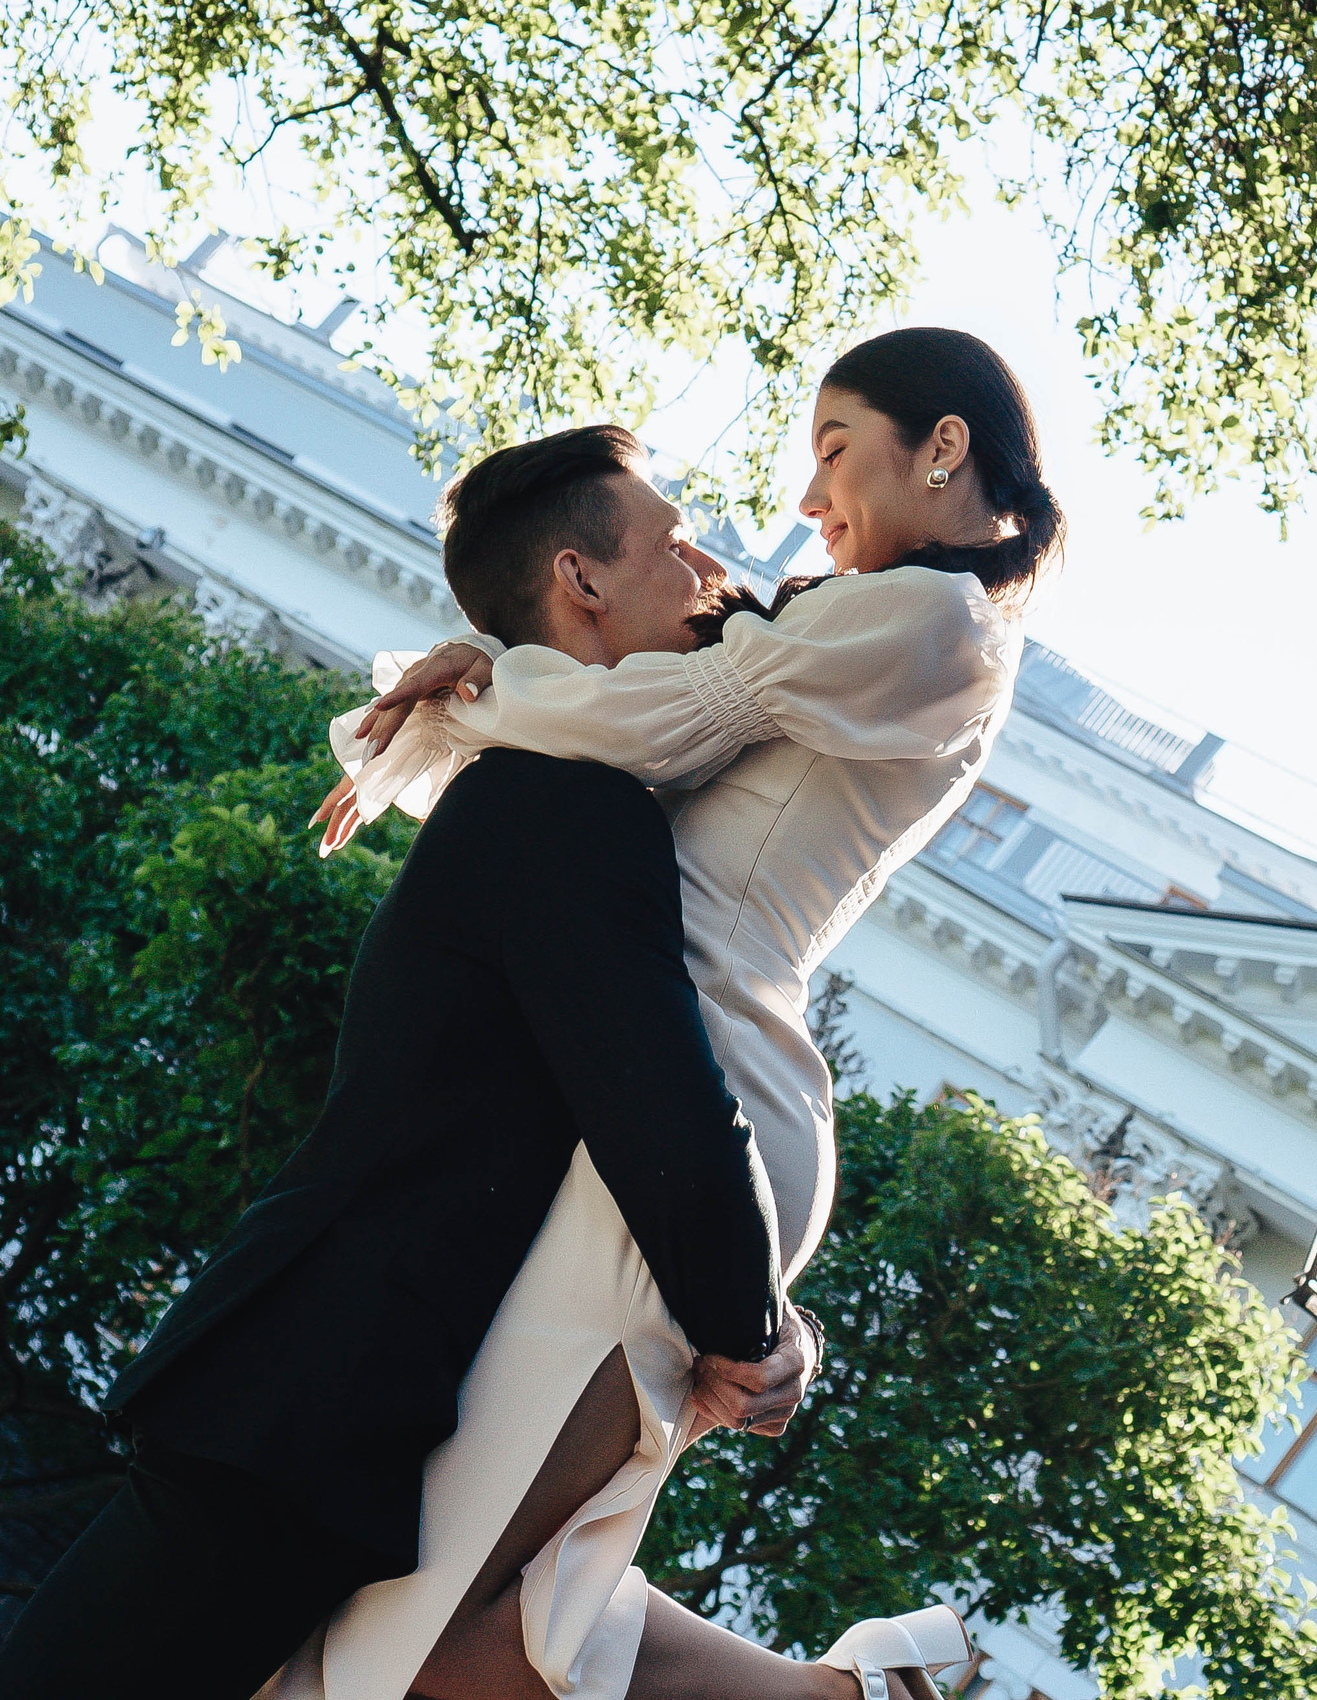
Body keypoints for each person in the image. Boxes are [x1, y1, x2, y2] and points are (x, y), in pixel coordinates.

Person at [0, 430, 807, 1700]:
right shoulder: (570, 810)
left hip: (315, 1388)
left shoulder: (538, 781)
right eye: (673, 536)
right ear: (580, 580)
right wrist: (751, 1330)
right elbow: (666, 1113)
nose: (706, 559)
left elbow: (768, 659)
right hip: (313, 1396)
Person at [292, 327, 1060, 1700]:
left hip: (692, 1101)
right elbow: (646, 701)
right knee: (486, 1593)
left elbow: (654, 721)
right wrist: (484, 671)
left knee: (422, 1622)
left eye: (836, 451)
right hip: (667, 1087)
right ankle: (851, 1692)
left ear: (944, 446)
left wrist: (467, 694)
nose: (813, 498)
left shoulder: (934, 619)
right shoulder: (871, 616)